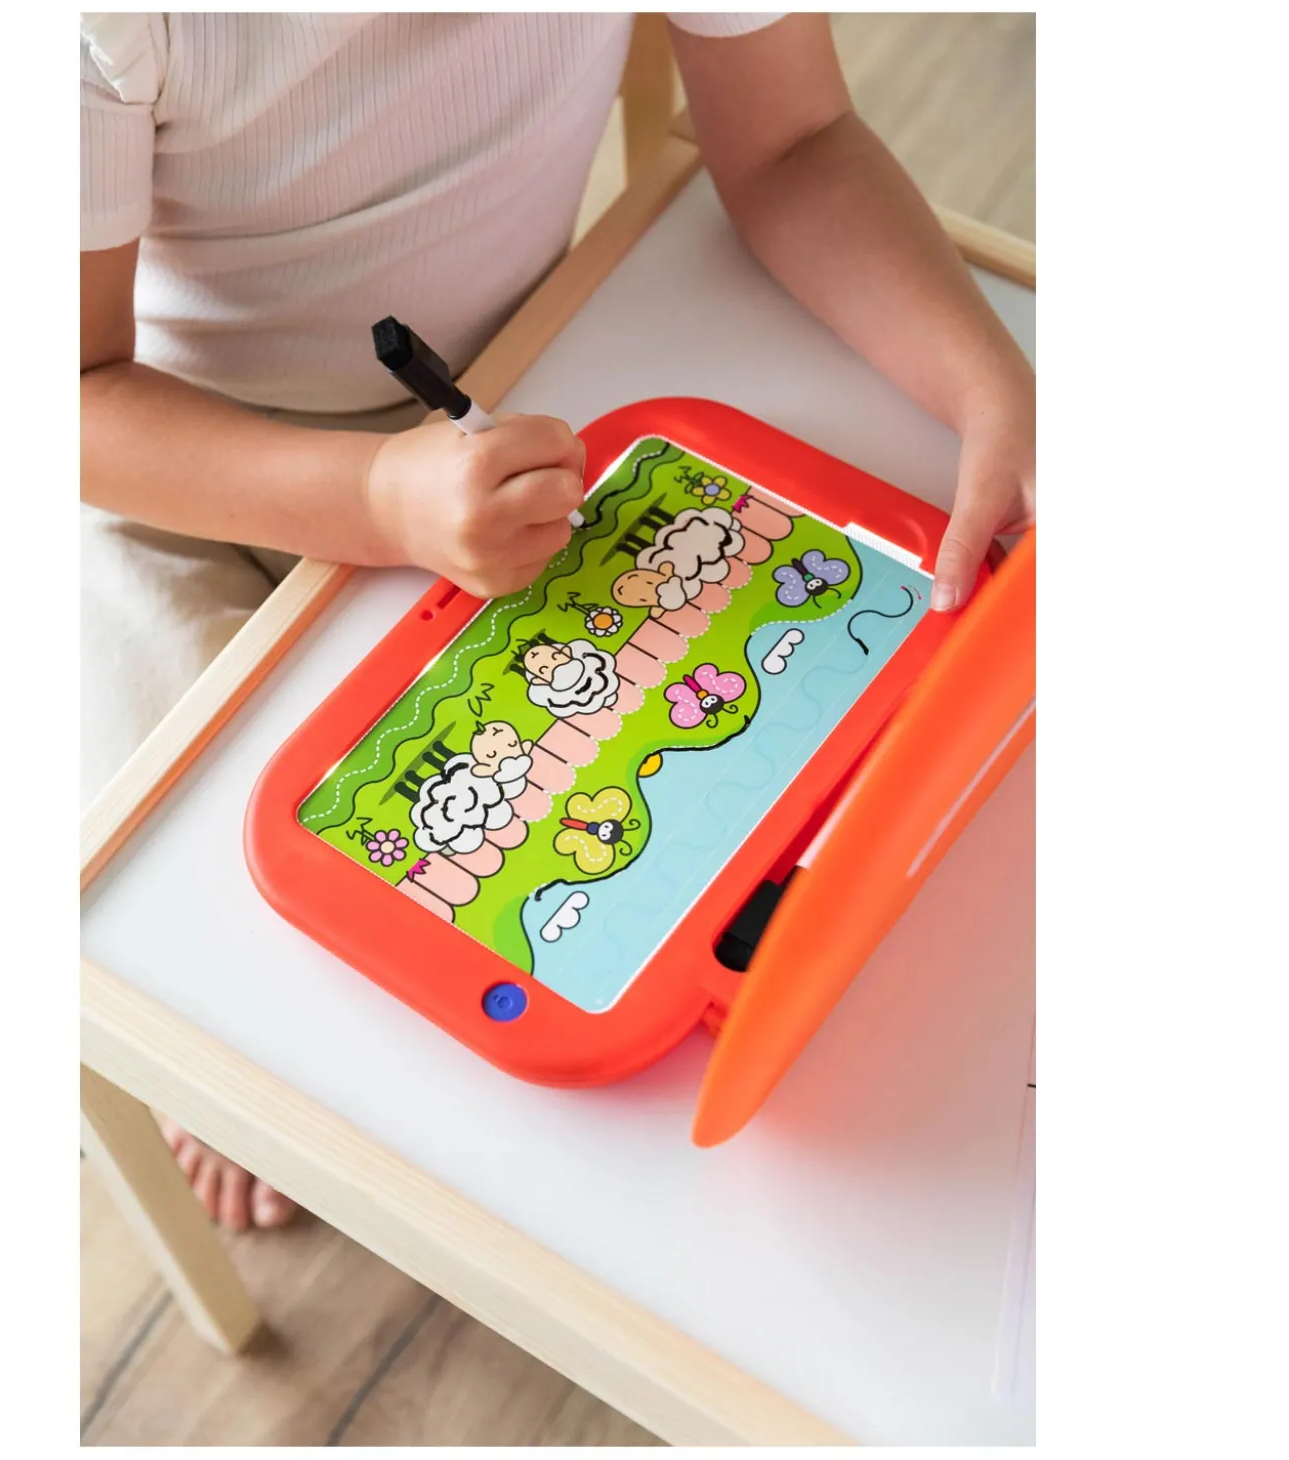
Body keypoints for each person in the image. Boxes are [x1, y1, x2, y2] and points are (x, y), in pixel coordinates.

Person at [81, 12, 1036, 1230]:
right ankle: (218, 1078)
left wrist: (992, 389)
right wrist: (372, 498)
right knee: (220, 968)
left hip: (524, 403)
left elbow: (793, 140)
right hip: (175, 482)